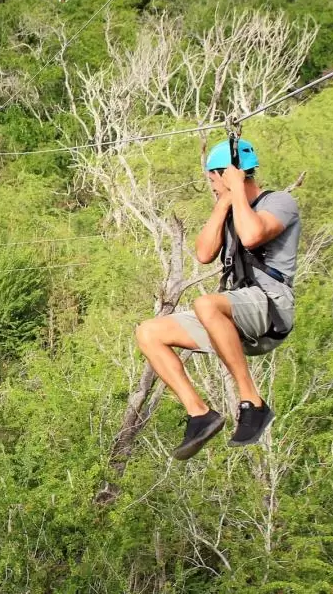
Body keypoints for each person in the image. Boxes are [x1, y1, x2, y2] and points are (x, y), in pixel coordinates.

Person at [134, 138, 300, 460]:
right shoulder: (228, 208)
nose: (211, 187)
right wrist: (223, 203)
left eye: (213, 180)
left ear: (228, 175)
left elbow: (252, 235)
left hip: (271, 307)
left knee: (207, 303)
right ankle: (200, 415)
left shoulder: (280, 202)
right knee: (148, 332)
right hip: (233, 317)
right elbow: (203, 253)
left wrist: (235, 192)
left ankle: (253, 402)